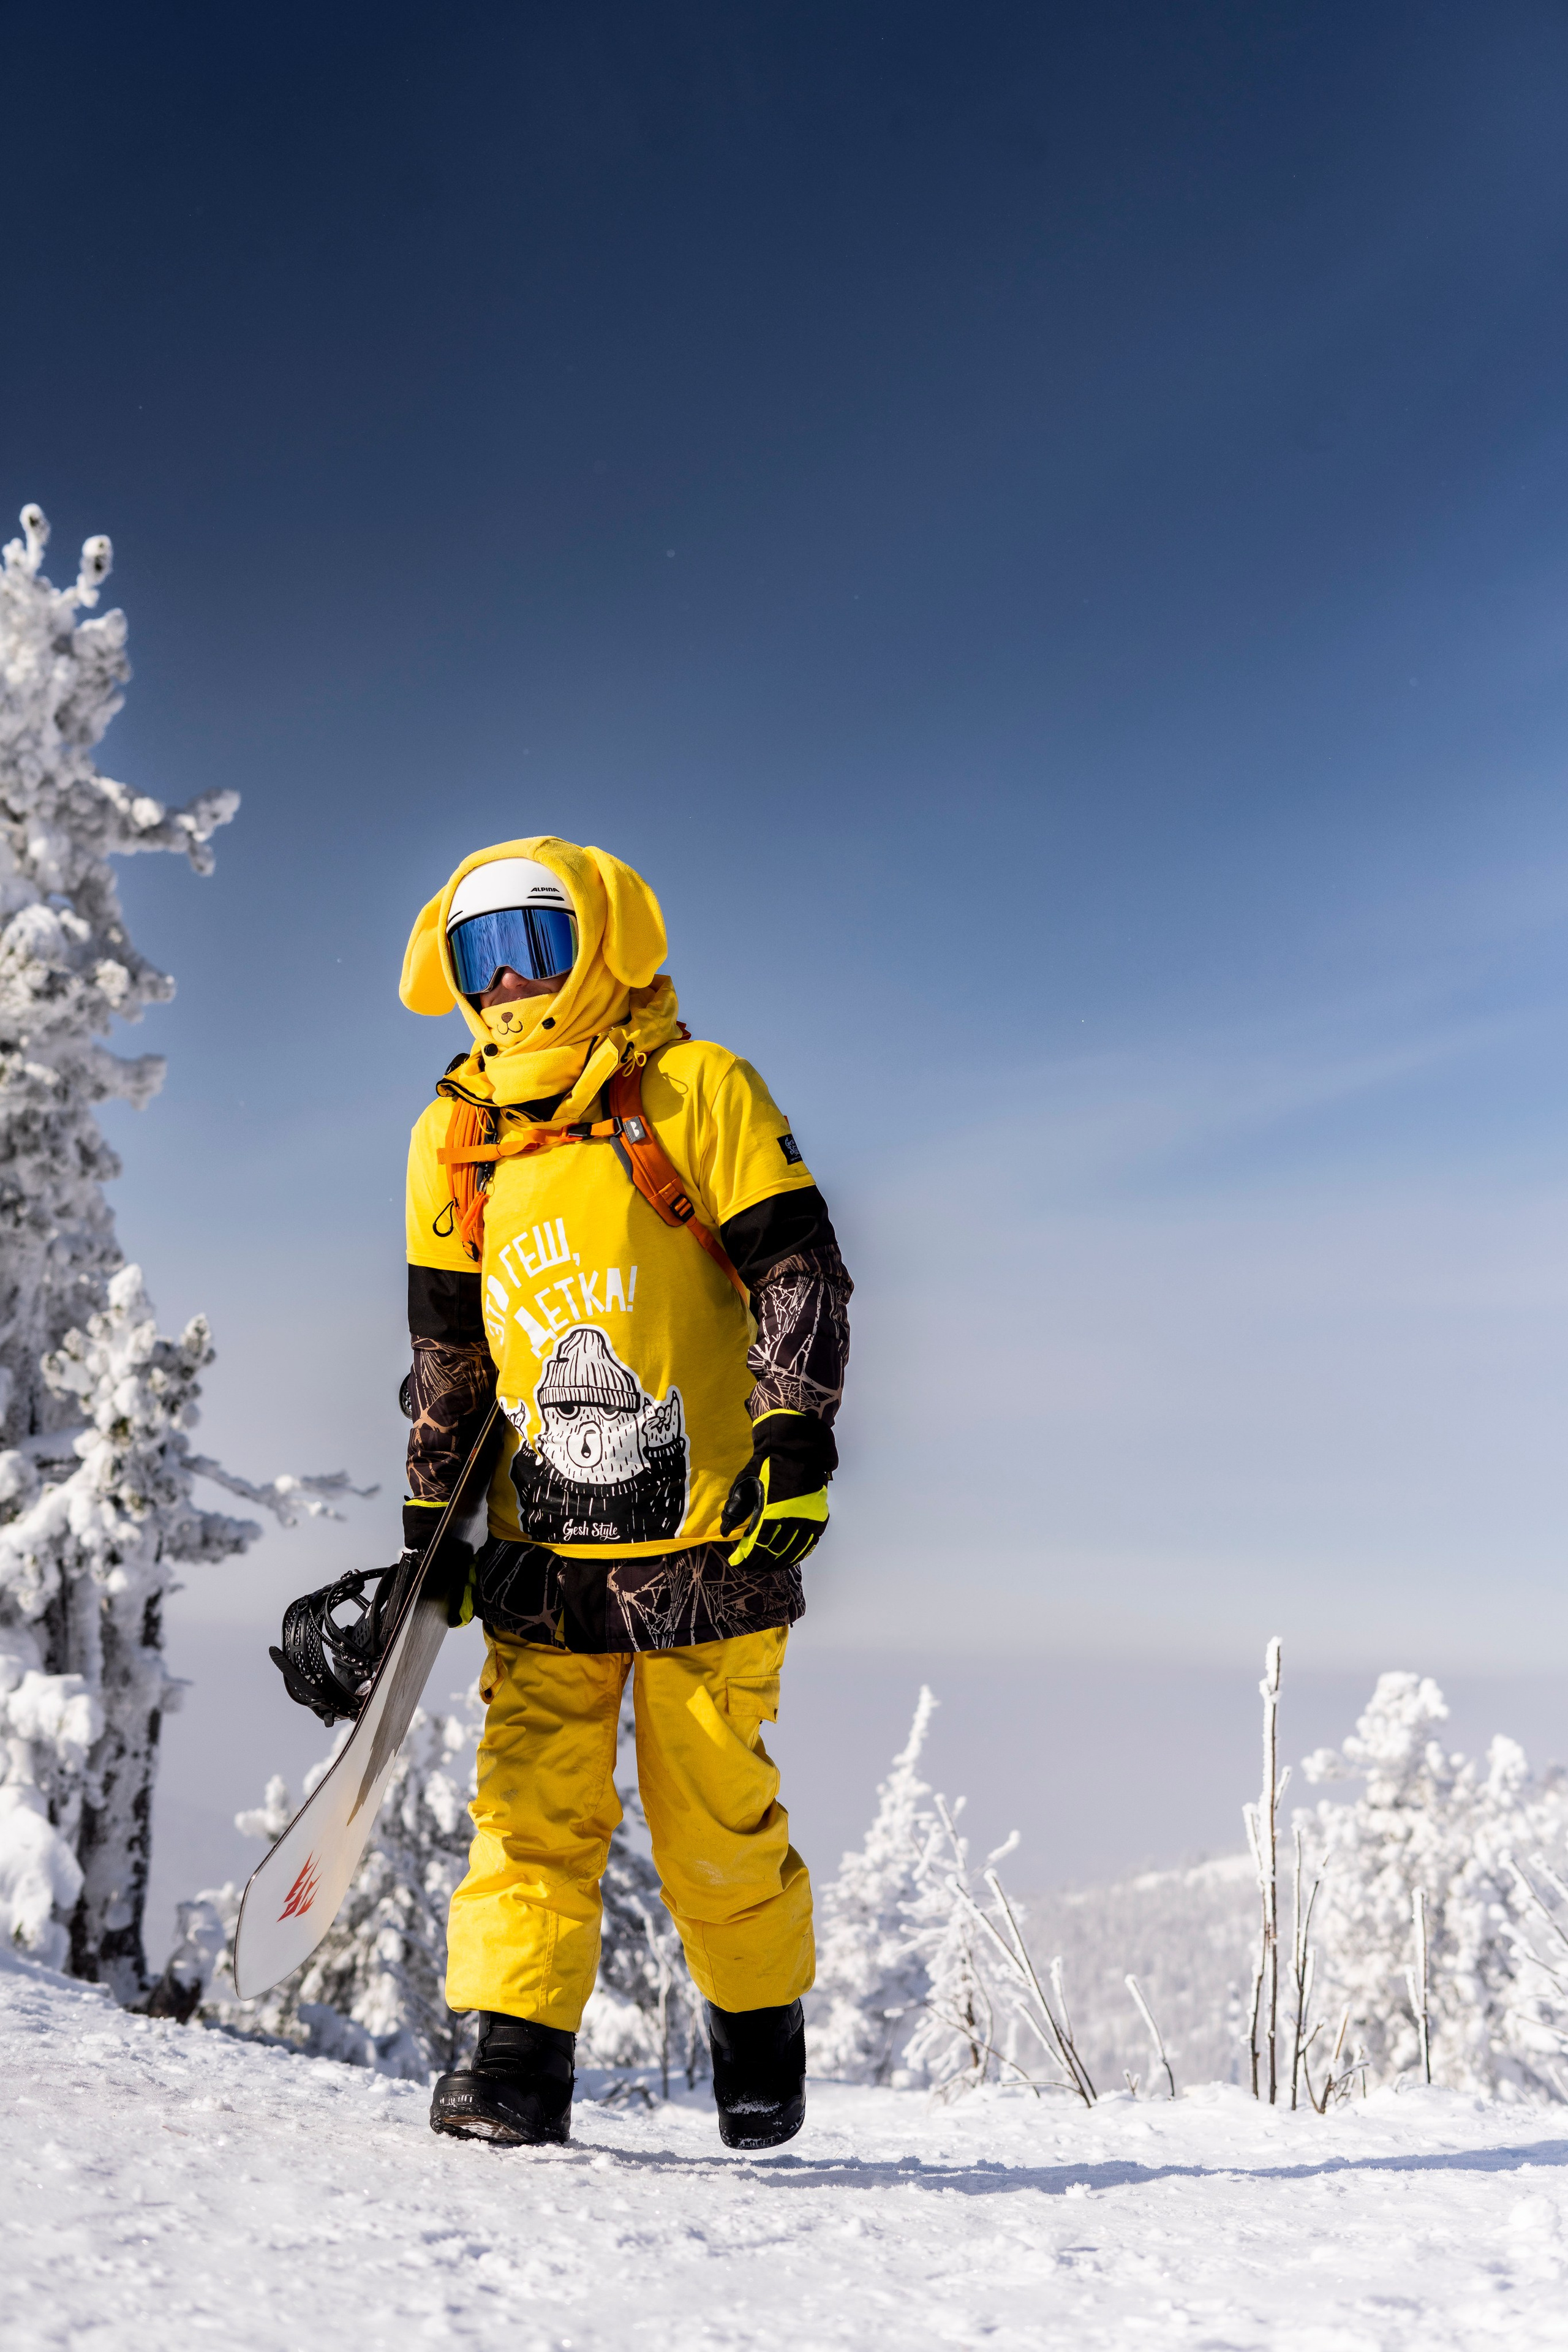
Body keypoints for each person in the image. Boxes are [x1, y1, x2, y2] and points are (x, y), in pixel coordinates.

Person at [395, 837, 851, 2148]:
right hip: (543, 1544)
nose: (506, 982)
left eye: (535, 942)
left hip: (709, 1534)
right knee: (529, 1805)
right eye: (477, 953)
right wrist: (433, 1516)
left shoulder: (698, 1089)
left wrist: (794, 1435)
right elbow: (447, 1352)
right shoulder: (454, 1140)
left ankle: (758, 2033)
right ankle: (510, 2064)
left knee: (708, 1813)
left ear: (601, 943)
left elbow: (798, 1273)